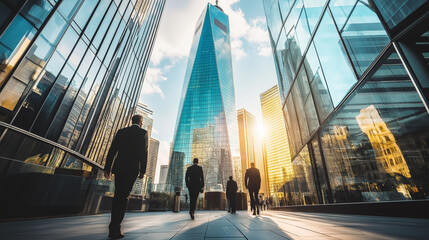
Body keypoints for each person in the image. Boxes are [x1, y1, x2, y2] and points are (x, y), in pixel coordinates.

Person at [104, 115, 148, 239]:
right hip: (132, 169)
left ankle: (113, 226)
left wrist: (107, 167)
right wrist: (142, 171)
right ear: (140, 122)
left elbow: (112, 150)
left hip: (119, 167)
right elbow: (144, 153)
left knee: (118, 195)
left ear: (131, 121)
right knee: (124, 196)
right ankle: (115, 227)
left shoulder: (121, 131)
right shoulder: (143, 133)